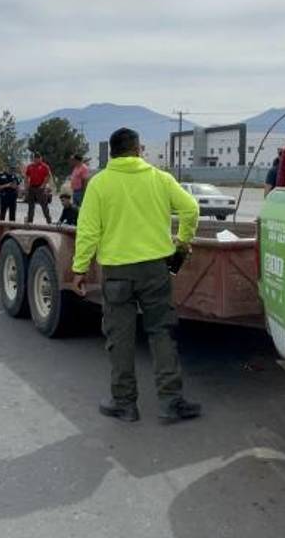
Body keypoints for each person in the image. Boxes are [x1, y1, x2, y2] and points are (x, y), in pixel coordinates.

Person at [72, 128, 202, 425]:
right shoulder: (160, 178)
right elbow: (191, 208)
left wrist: (80, 268)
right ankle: (171, 401)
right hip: (156, 269)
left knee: (120, 337)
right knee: (161, 331)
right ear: (138, 150)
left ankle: (124, 403)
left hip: (117, 272)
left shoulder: (100, 184)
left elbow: (89, 231)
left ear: (112, 152)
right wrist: (182, 242)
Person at [24, 152, 53, 224]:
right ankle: (30, 221)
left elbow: (48, 176)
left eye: (38, 158)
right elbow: (27, 176)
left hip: (40, 188)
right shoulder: (30, 166)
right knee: (31, 206)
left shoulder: (44, 166)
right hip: (31, 187)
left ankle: (49, 221)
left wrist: (43, 185)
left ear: (41, 158)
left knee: (44, 205)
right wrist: (26, 186)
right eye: (35, 158)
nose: (36, 159)